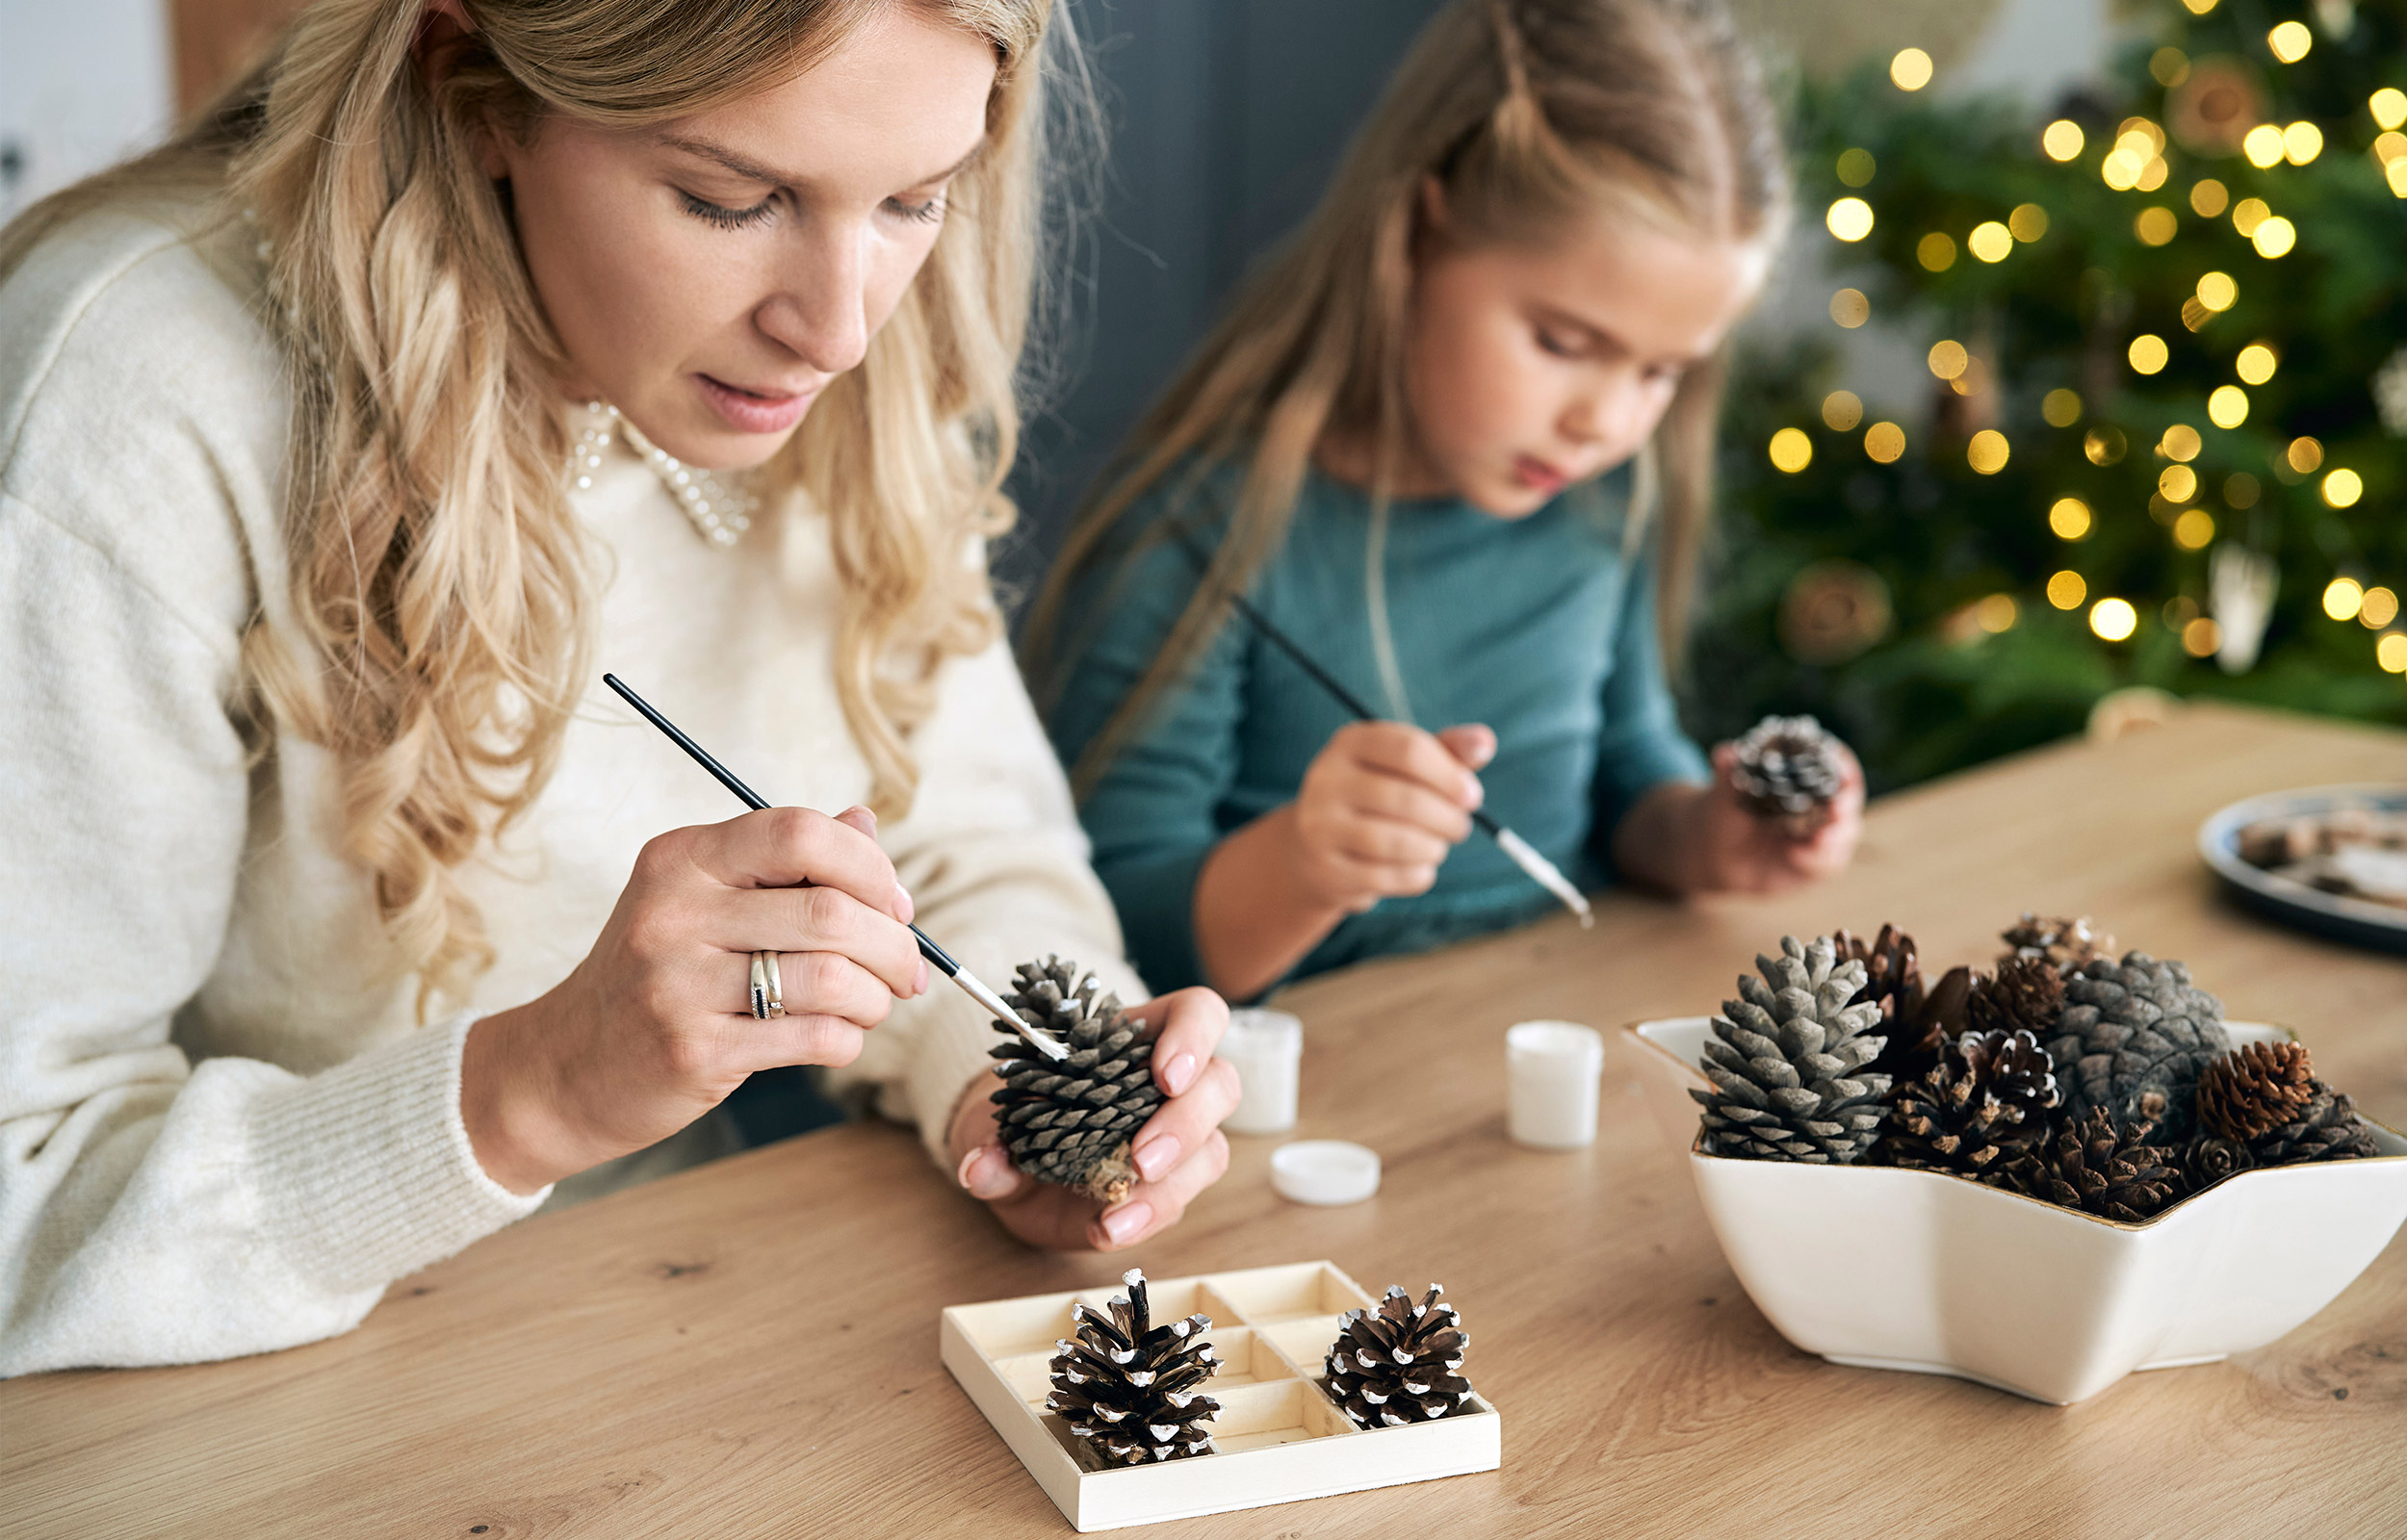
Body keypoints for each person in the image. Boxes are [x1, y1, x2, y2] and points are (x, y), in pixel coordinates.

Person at [0, 0, 1235, 1378]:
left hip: (673, 1338)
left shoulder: (868, 359)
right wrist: (531, 1093)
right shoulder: (132, 395)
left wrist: (1028, 1086)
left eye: (914, 200)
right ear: (472, 84)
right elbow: (20, 1191)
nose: (833, 329)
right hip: (243, 1411)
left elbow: (965, 857)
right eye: (727, 200)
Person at [1025, 0, 1865, 1004]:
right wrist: (1302, 866)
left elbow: (1629, 774)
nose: (1605, 421)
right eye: (1562, 342)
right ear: (1419, 232)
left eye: (1662, 372)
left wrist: (1708, 838)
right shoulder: (1198, 532)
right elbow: (1103, 938)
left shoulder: (1601, 496)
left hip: (1545, 1029)